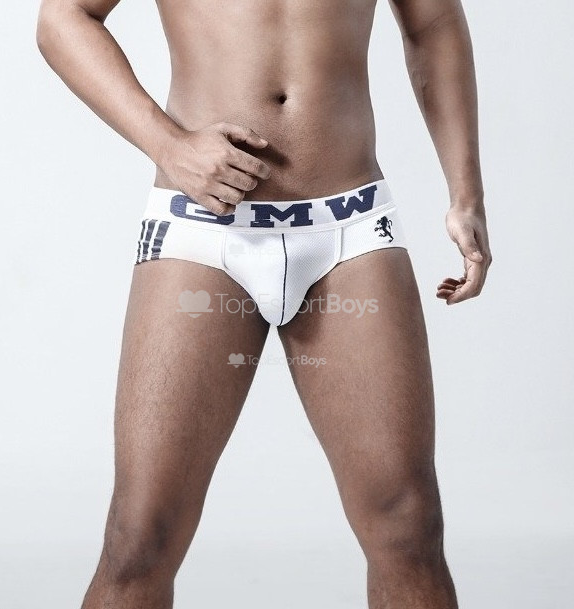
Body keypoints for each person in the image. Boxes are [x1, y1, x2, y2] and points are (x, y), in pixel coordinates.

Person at [36, 0, 492, 607]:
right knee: (140, 535)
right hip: (202, 227)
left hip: (349, 225)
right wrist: (167, 144)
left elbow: (433, 23)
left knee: (407, 523)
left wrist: (466, 194)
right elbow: (63, 17)